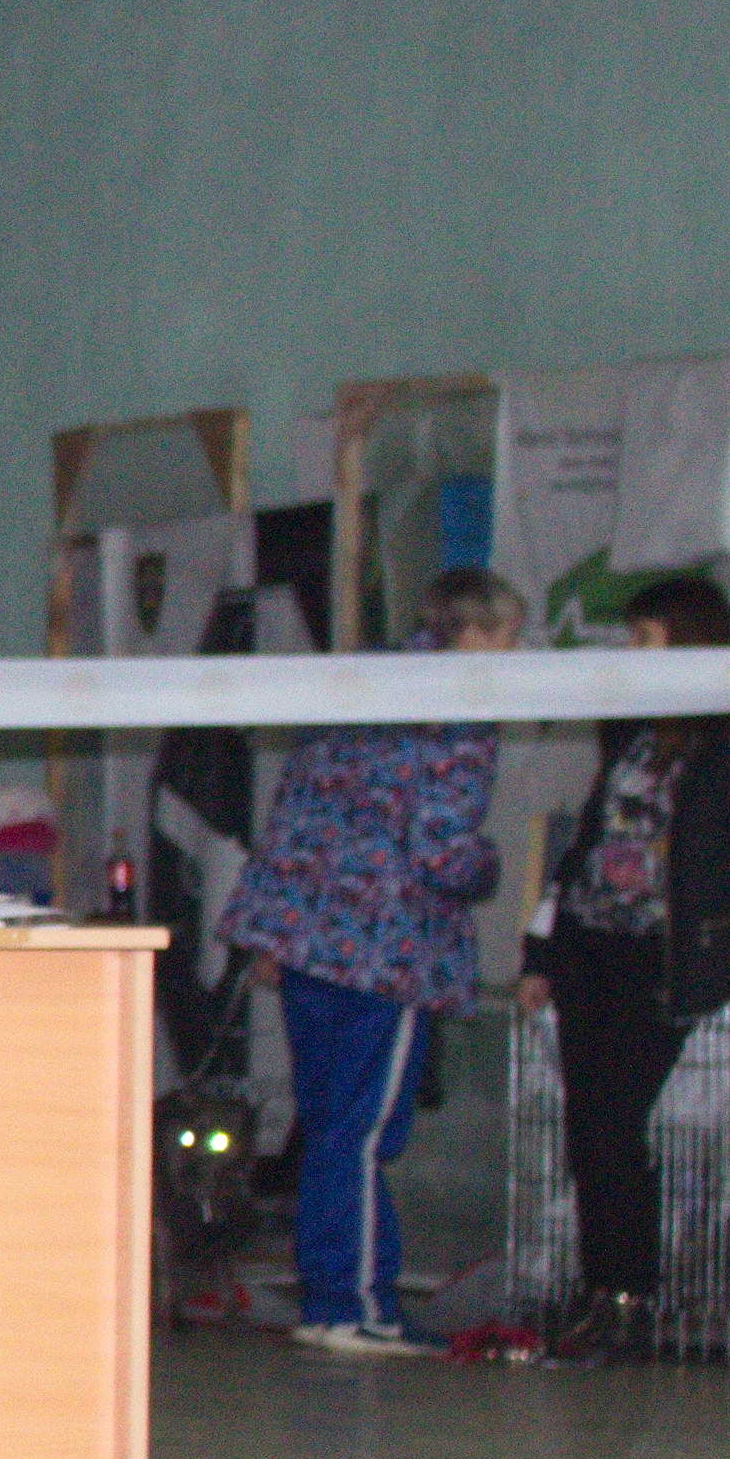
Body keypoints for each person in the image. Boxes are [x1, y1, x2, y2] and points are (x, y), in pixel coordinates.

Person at [518, 572, 730, 1365]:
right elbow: (584, 845)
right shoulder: (628, 733)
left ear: (686, 641)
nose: (630, 651)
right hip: (591, 947)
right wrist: (539, 951)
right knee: (588, 1127)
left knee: (613, 1122)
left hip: (665, 961)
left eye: (644, 637)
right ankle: (606, 1291)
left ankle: (628, 1293)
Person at [218, 565, 521, 1358]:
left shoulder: (354, 685)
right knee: (360, 1135)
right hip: (387, 950)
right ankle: (355, 1306)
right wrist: (490, 866)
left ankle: (330, 1299)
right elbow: (442, 851)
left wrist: (269, 932)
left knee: (326, 1128)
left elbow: (292, 811)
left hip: (305, 939)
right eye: (508, 636)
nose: (513, 655)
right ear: (476, 633)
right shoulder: (459, 713)